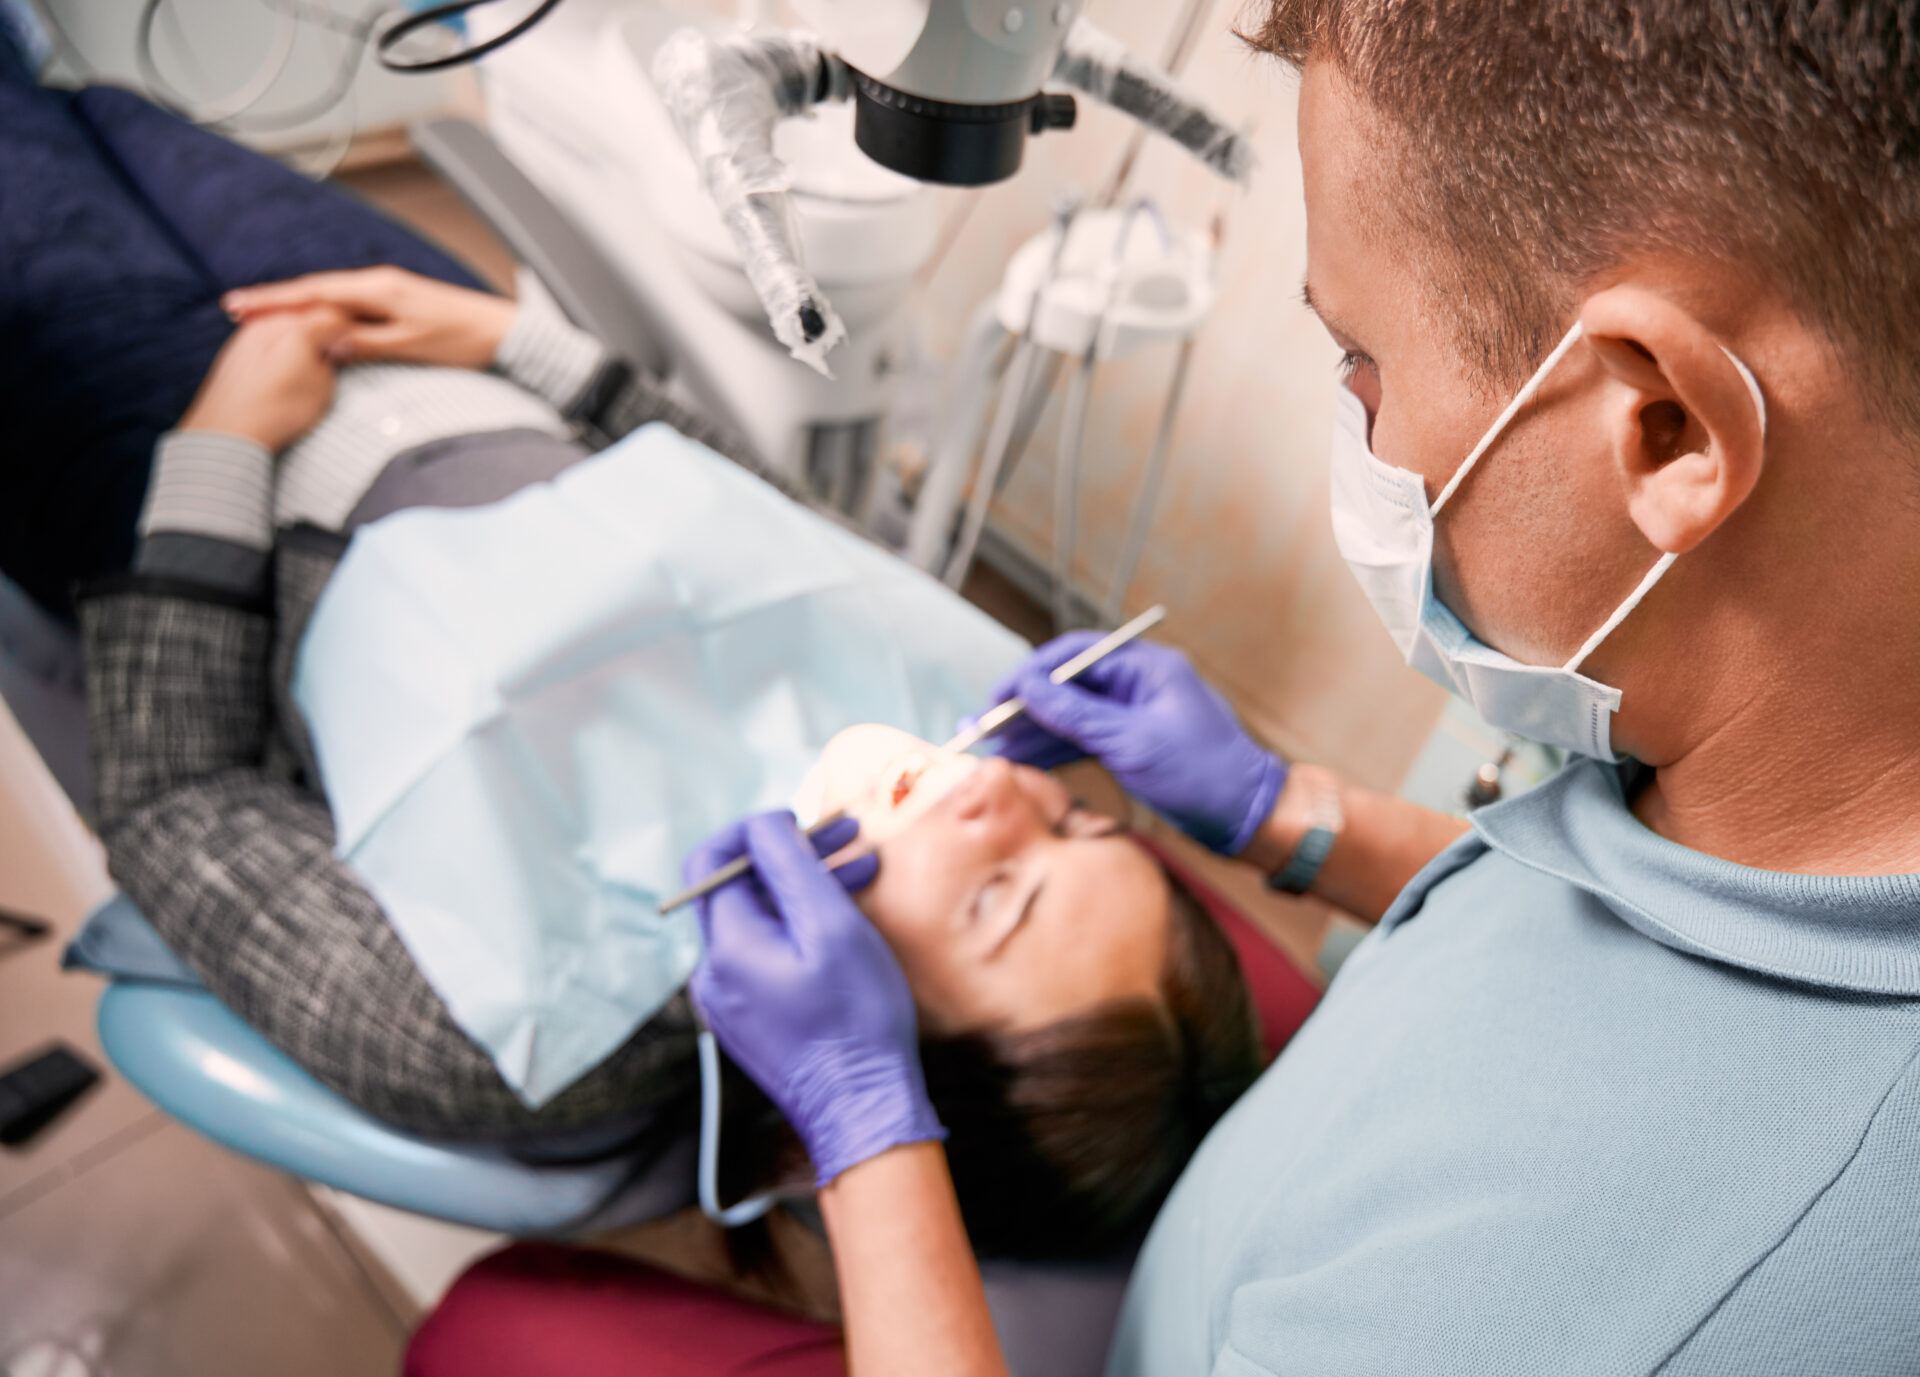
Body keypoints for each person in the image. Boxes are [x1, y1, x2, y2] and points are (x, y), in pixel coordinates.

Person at [680, 2, 1920, 1373]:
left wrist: (866, 1124)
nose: (1365, 426)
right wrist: (1291, 814)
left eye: (1364, 362)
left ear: (1669, 424)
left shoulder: (1590, 1317)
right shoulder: (1771, 772)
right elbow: (1648, 956)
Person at [75, 265, 1263, 1265]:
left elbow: (173, 796)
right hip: (456, 350)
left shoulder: (499, 1018)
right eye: (1078, 825)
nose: (1006, 795)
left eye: (999, 894)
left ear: (858, 1053)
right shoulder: (916, 722)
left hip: (190, 465)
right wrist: (528, 347)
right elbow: (745, 517)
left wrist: (218, 447)